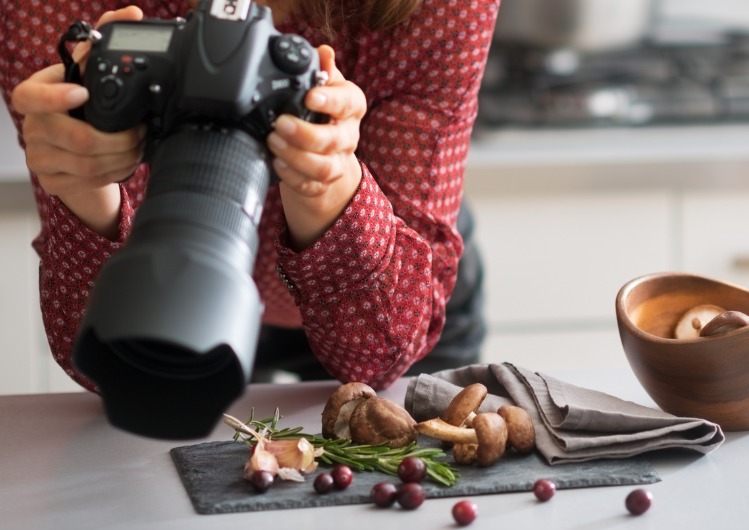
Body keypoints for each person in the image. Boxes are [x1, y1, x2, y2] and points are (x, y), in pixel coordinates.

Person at [0, 0, 496, 392]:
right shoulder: (52, 7)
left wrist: (330, 185)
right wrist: (88, 187)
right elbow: (104, 365)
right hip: (175, 291)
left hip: (387, 289)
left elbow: (378, 356)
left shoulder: (437, 6)